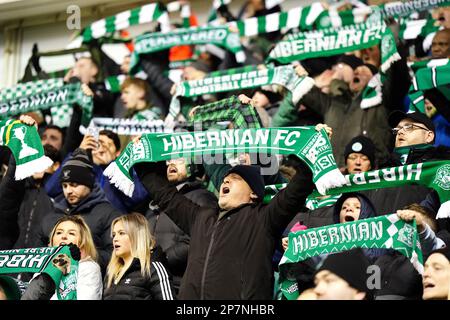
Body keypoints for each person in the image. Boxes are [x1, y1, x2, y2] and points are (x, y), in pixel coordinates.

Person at [134, 148, 316, 299]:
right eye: (225, 179)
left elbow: (298, 188)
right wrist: (145, 156)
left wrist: (312, 146)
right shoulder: (201, 217)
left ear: (254, 193)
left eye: (235, 178)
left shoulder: (264, 218)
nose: (226, 180)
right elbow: (164, 194)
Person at [38, 148, 121, 272]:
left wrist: (85, 254)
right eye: (64, 186)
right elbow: (36, 255)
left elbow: (116, 255)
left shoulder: (108, 214)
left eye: (74, 185)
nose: (69, 190)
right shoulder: (52, 215)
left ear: (88, 184)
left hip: (90, 283)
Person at [296, 62, 391, 167]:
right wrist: (301, 78)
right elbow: (308, 93)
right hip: (333, 174)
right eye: (355, 72)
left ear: (374, 80)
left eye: (363, 72)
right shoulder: (334, 103)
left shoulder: (380, 102)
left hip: (365, 173)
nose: (356, 73)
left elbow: (396, 77)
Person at [146, 157, 217, 295]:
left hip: (180, 285)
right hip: (153, 284)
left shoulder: (202, 197)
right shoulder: (153, 204)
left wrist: (161, 260)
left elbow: (200, 239)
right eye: (168, 160)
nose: (171, 163)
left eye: (179, 159)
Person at [22, 215, 103, 300]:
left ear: (83, 242)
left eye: (71, 233)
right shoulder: (42, 269)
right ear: (51, 241)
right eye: (59, 232)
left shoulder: (89, 268)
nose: (63, 236)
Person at [103, 213, 175, 300]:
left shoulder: (152, 268)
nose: (115, 239)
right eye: (114, 235)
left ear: (137, 236)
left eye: (121, 233)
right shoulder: (111, 273)